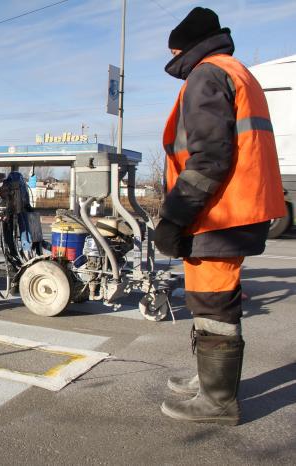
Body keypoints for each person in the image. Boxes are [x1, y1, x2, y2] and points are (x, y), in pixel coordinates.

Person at [155, 7, 285, 425]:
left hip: (221, 209)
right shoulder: (236, 70)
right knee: (211, 297)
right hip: (237, 203)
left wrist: (174, 217)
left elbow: (209, 157)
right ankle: (210, 380)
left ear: (184, 47)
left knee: (214, 299)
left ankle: (217, 400)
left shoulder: (207, 75)